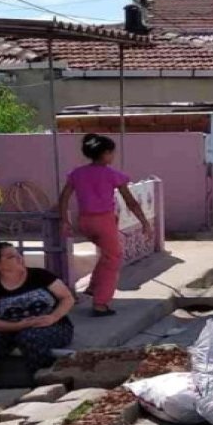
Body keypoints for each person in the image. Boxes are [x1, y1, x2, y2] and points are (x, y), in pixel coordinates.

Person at [58, 133, 153, 317]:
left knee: (107, 256)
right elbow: (131, 202)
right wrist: (144, 222)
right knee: (113, 259)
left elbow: (64, 198)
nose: (113, 156)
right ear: (106, 153)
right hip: (104, 220)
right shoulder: (112, 174)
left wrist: (65, 220)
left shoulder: (77, 173)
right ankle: (101, 303)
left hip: (85, 221)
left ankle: (94, 287)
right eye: (112, 153)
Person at [0, 239, 75, 388]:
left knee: (31, 338)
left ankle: (46, 383)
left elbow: (67, 298)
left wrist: (53, 317)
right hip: (8, 329)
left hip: (50, 326)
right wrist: (17, 325)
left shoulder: (40, 276)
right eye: (11, 257)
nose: (19, 257)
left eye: (17, 253)